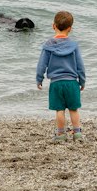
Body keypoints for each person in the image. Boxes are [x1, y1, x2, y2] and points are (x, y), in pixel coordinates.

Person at [35, 10, 86, 141]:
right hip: (72, 82)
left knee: (59, 110)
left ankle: (61, 134)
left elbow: (42, 64)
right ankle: (77, 133)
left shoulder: (48, 45)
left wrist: (39, 78)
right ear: (70, 28)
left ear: (53, 26)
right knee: (73, 109)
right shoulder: (74, 46)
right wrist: (82, 81)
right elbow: (80, 65)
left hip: (56, 83)